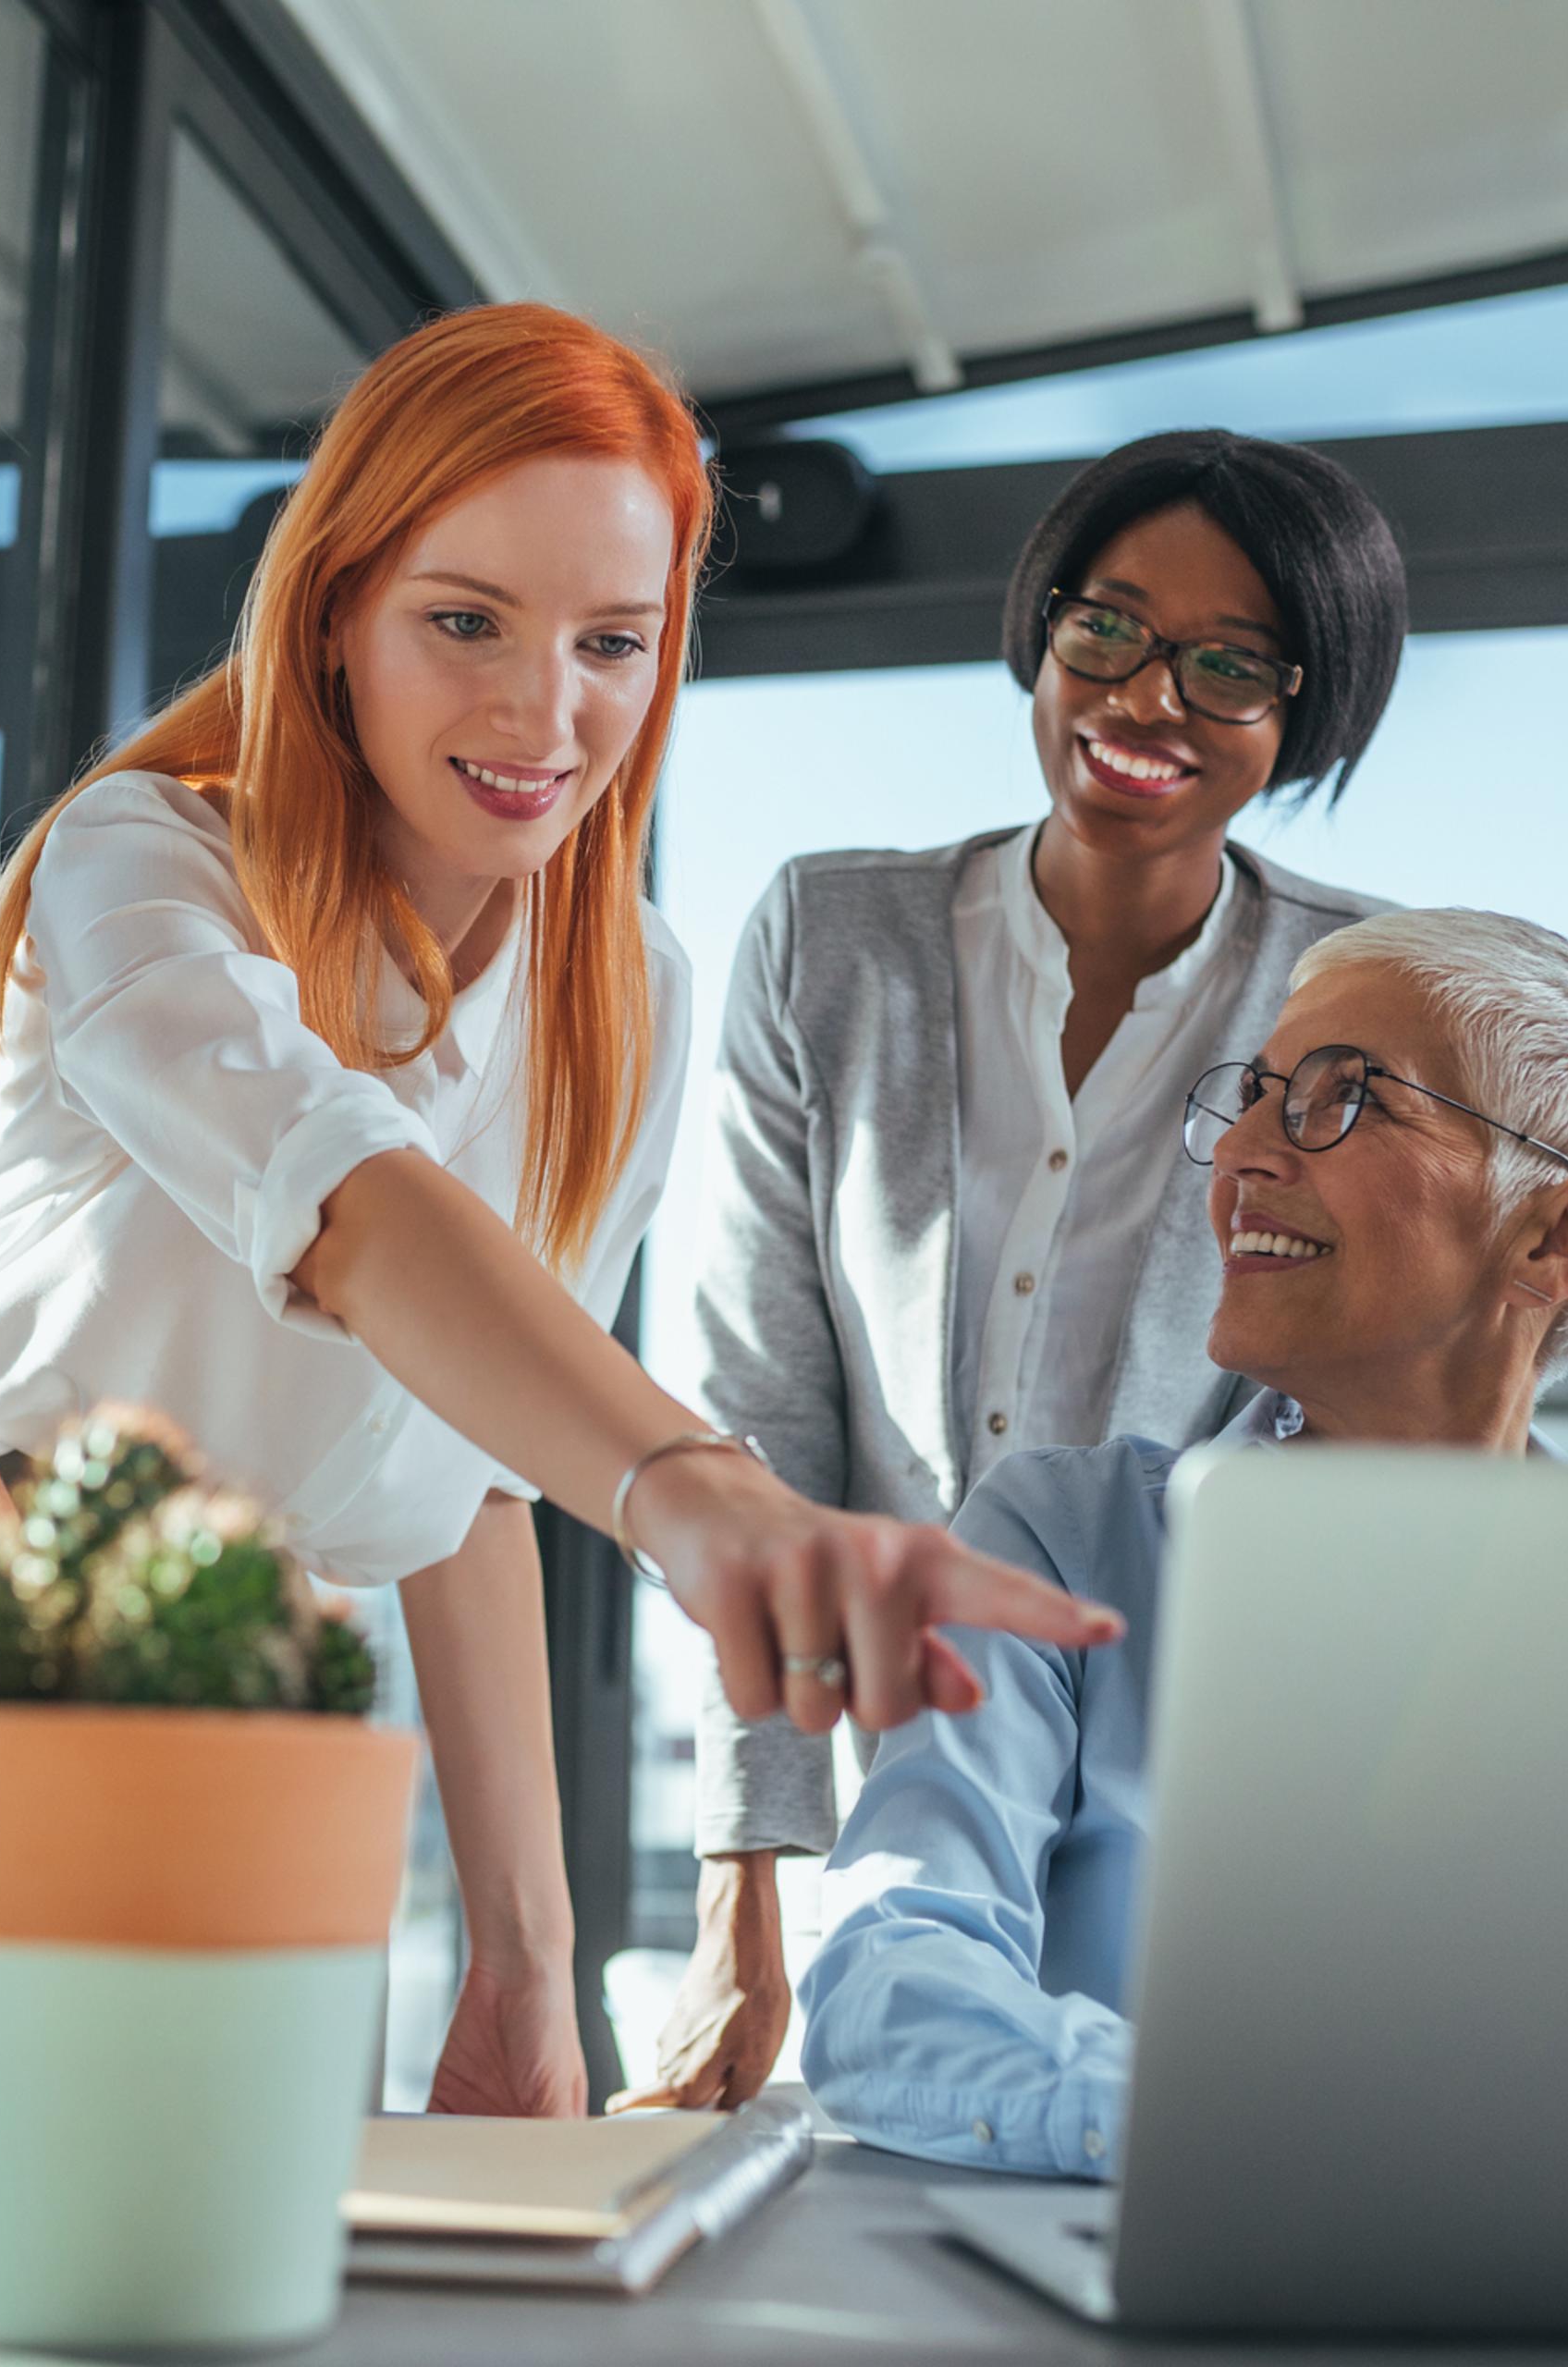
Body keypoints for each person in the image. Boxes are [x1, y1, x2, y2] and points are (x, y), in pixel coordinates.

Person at [0, 301, 1119, 2118]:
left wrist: (527, 1954)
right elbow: (354, 1215)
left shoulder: (622, 986)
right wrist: (700, 1492)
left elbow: (475, 1472)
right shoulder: (149, 863)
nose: (541, 712)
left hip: (261, 1712)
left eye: (612, 643)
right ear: (334, 605)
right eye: (465, 619)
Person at [625, 432, 1409, 2111]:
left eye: (1233, 663)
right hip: (879, 1794)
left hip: (1188, 1787)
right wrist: (743, 1903)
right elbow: (760, 1419)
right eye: (1104, 626)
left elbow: (1365, 1413)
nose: (1147, 695)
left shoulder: (1355, 1001)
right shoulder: (831, 942)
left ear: (1307, 711)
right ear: (1041, 634)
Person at [797, 908, 1568, 2174]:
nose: (1241, 1160)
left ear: (1556, 1237)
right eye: (1258, 1096)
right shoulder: (1058, 1542)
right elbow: (892, 1981)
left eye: (1344, 1101)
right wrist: (1233, 2138)